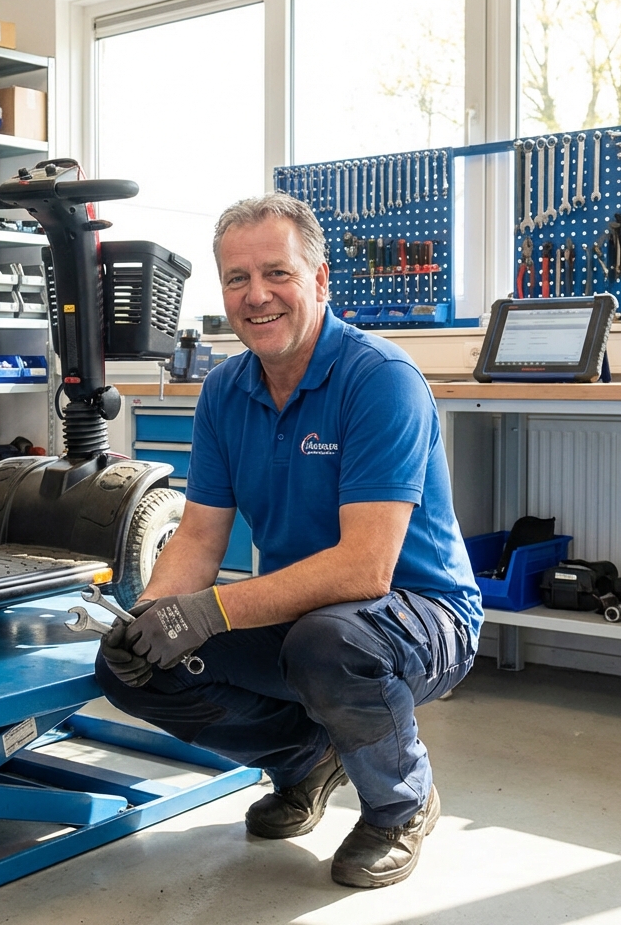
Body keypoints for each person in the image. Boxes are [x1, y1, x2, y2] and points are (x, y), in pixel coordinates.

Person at [96, 192, 482, 888]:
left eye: (278, 273)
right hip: (302, 614)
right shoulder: (224, 391)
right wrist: (153, 613)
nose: (257, 296)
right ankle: (307, 760)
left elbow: (365, 569)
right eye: (237, 279)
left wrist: (208, 612)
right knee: (135, 666)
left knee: (327, 644)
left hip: (422, 614)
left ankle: (401, 805)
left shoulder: (380, 381)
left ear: (320, 279)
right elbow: (199, 537)